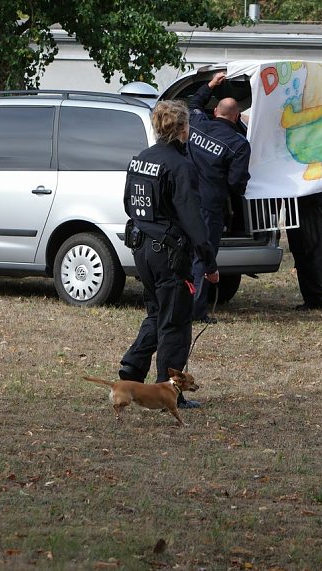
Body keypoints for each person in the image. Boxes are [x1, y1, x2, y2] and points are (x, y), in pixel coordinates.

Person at [118, 100, 219, 409]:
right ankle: (169, 394)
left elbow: (128, 203)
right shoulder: (180, 166)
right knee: (175, 322)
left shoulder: (142, 159)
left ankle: (131, 369)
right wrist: (209, 263)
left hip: (143, 250)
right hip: (170, 255)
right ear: (183, 129)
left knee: (157, 313)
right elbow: (192, 218)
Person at [187, 71, 251, 324]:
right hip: (209, 207)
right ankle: (197, 310)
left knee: (182, 254)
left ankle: (176, 303)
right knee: (202, 257)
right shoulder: (238, 144)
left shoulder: (198, 124)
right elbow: (237, 183)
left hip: (184, 201)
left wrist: (210, 85)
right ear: (236, 118)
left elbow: (192, 105)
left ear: (215, 112)